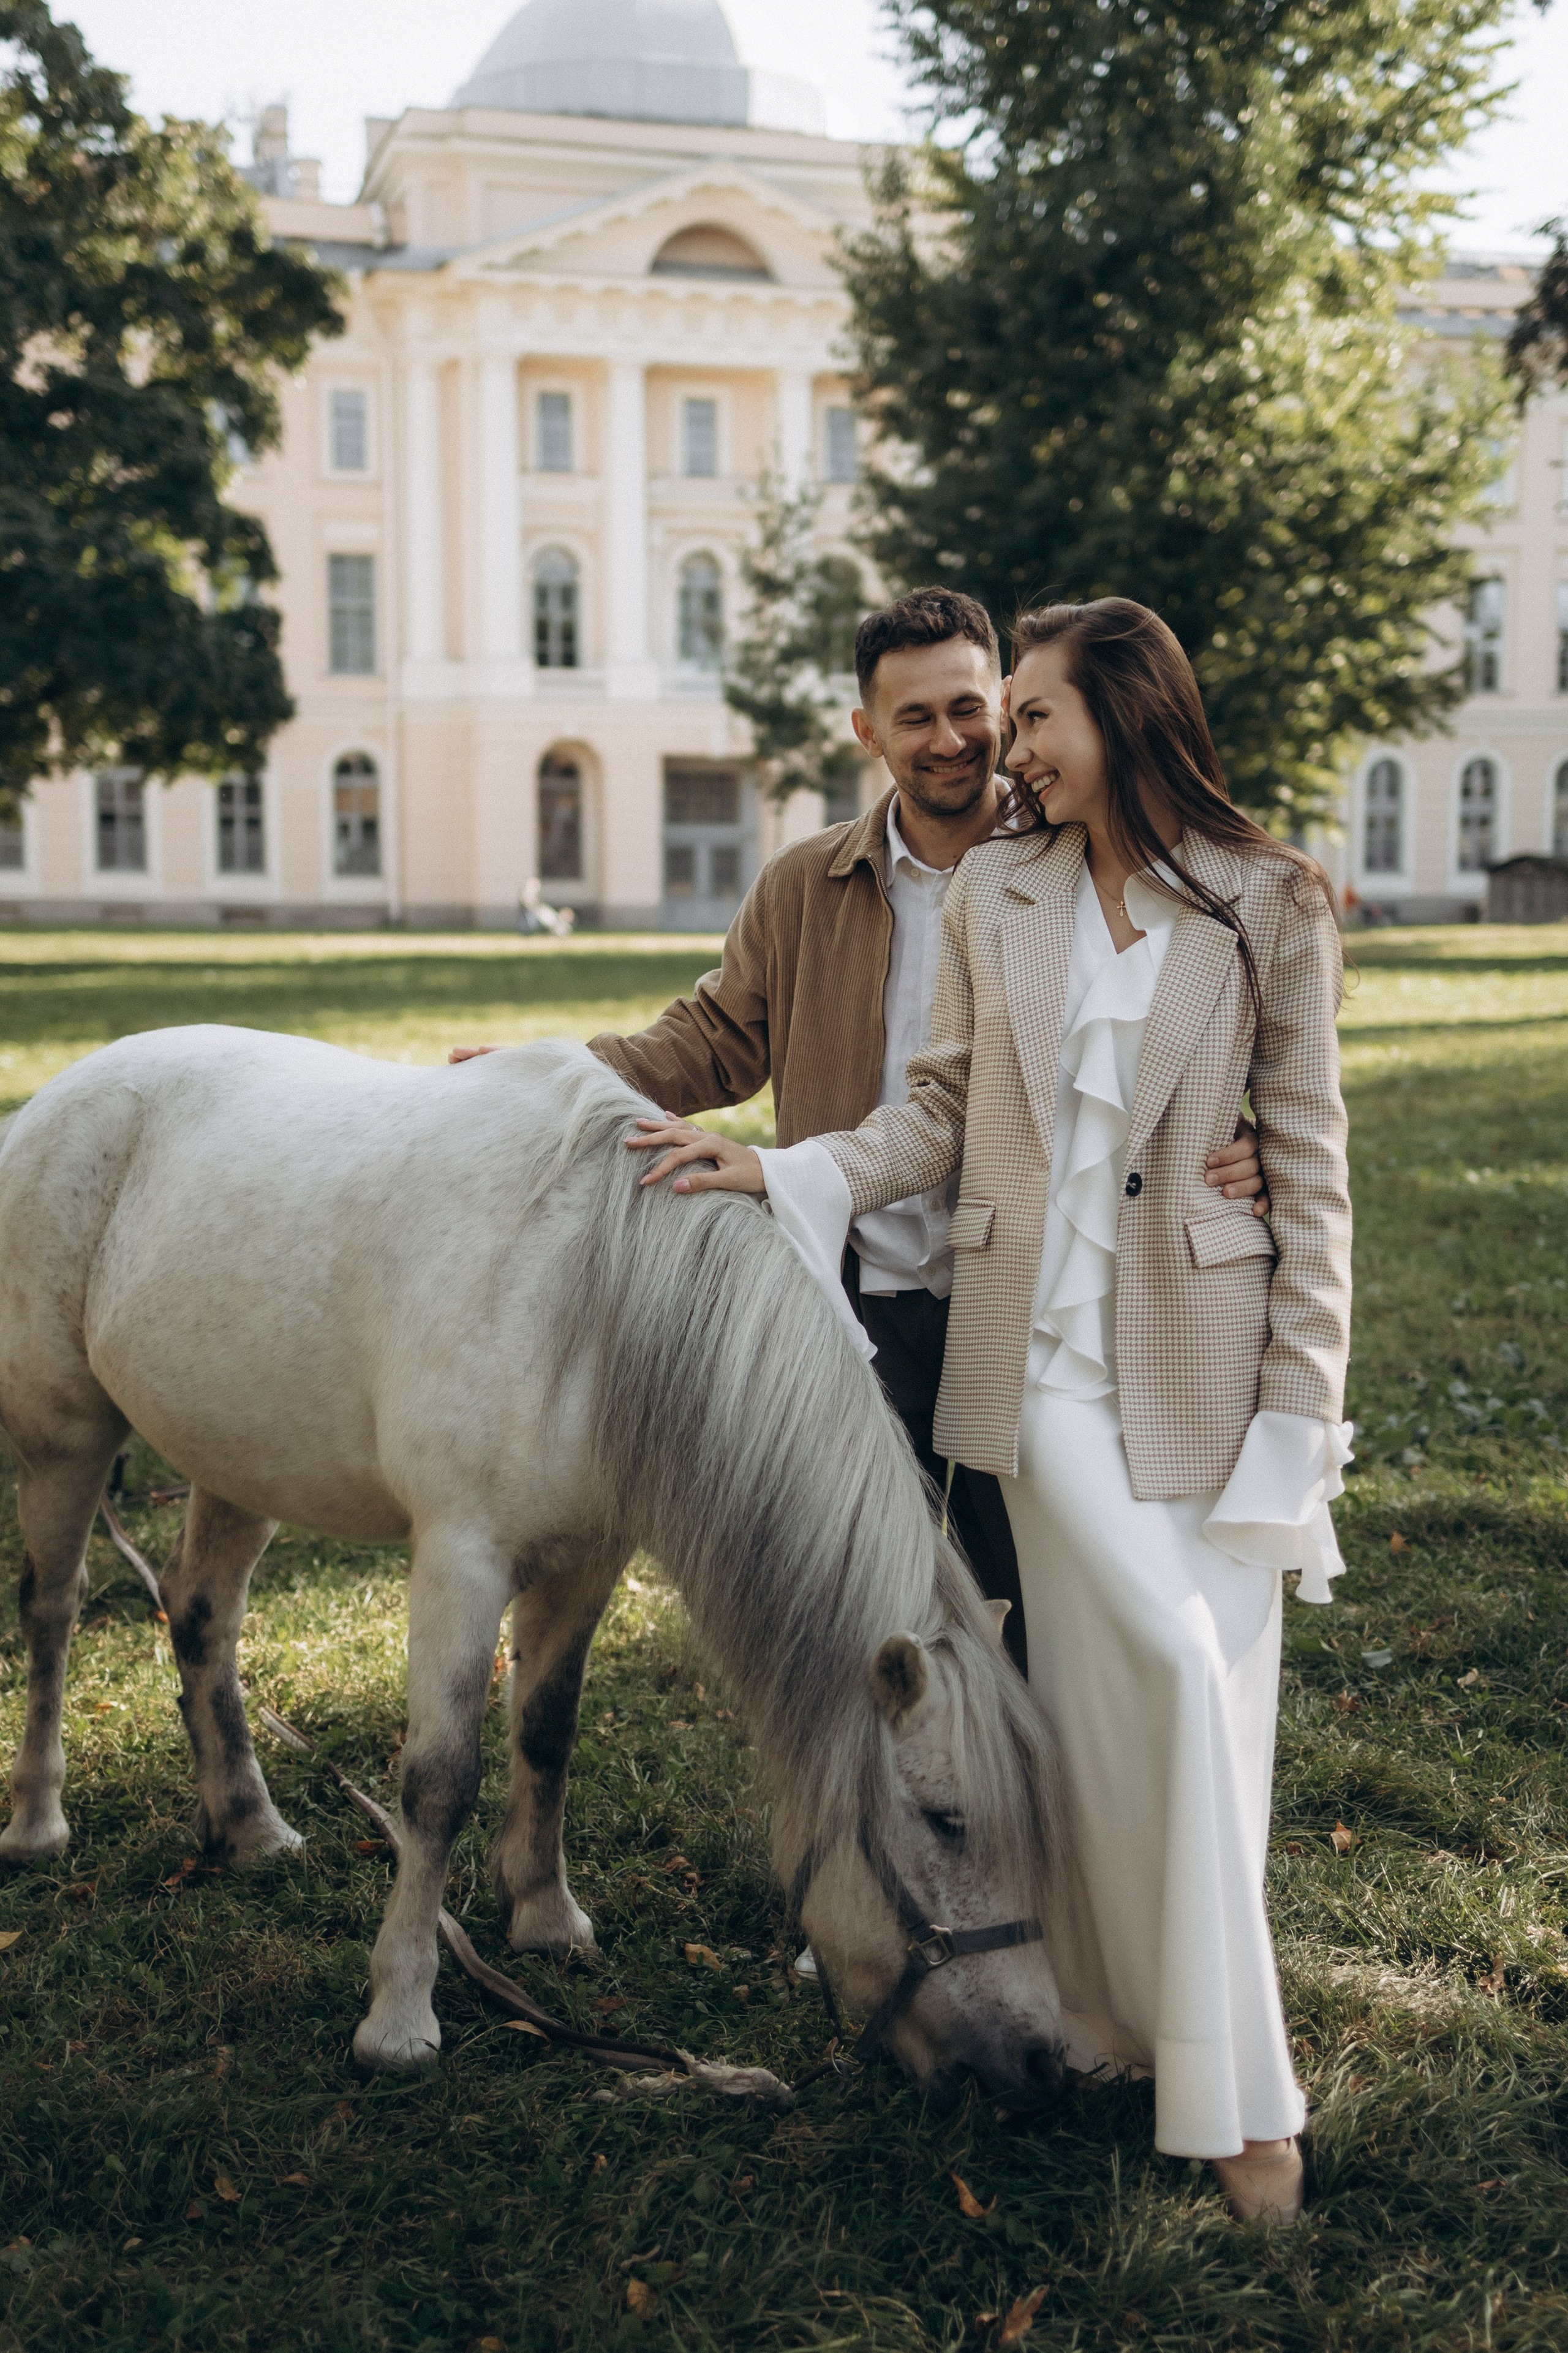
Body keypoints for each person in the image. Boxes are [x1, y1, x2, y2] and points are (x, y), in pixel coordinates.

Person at [630, 597, 1354, 2229]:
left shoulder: (1272, 903)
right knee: (1163, 1677)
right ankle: (1251, 2112)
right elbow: (942, 1106)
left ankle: (1121, 2017)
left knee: (1185, 1725)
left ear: (1123, 718)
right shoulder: (1001, 897)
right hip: (1041, 1371)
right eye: (993, 718)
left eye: (1031, 717)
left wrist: (1303, 1416)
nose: (1007, 748)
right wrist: (787, 1168)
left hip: (1217, 1364)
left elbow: (1311, 1164)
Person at [452, 591, 1268, 1683]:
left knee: (1036, 1602)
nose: (952, 739)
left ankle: (1037, 1813)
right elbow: (710, 1042)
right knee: (848, 1609)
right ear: (866, 731)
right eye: (916, 717)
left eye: (972, 708)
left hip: (1019, 1302)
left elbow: (1162, 1030)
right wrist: (543, 1073)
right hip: (852, 1301)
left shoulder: (1075, 868)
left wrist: (1235, 1139)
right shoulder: (805, 886)